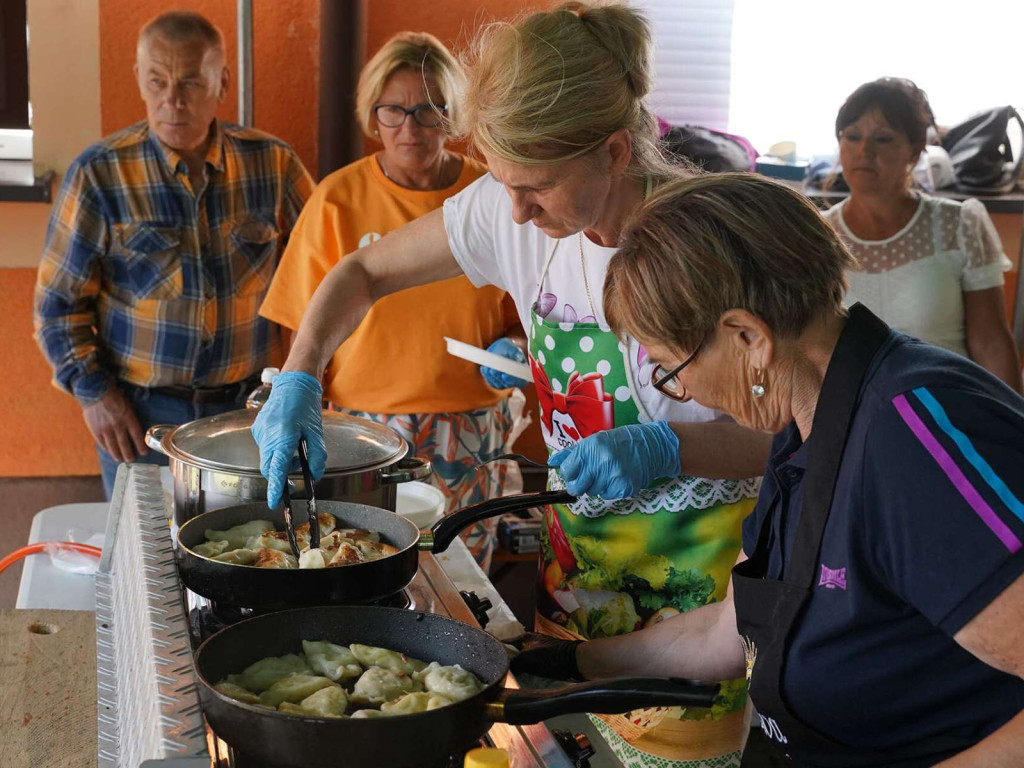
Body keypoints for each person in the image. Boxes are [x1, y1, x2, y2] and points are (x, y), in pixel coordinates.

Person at [253, 4, 770, 765]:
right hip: (574, 580)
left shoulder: (718, 246)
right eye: (505, 184)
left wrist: (673, 446)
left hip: (698, 608)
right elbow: (361, 271)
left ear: (615, 152)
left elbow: (792, 435)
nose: (517, 212)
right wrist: (299, 374)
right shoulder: (513, 207)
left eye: (538, 188)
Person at [513, 171, 1024, 767]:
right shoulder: (806, 424)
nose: (679, 393)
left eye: (670, 369)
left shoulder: (913, 436)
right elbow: (724, 634)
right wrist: (556, 664)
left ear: (748, 336)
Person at [259, 32, 524, 570]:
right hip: (360, 427)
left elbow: (528, 319)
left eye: (429, 111)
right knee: (360, 563)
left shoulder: (493, 195)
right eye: (393, 110)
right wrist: (303, 393)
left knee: (462, 576)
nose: (410, 127)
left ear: (454, 116)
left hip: (470, 428)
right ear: (371, 116)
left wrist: (518, 350)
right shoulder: (336, 198)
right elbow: (300, 324)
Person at [33, 11, 314, 497]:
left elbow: (322, 273)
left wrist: (306, 379)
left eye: (190, 82)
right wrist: (95, 394)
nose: (172, 100)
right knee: (147, 549)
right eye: (157, 81)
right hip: (139, 414)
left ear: (222, 82)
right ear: (139, 79)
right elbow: (57, 306)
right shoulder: (99, 175)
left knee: (244, 544)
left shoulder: (274, 165)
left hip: (249, 407)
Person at [823, 78, 1021, 393]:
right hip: (853, 418)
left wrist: (1012, 427)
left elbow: (991, 343)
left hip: (950, 406)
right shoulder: (817, 236)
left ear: (914, 152)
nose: (864, 150)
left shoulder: (960, 225)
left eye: (883, 139)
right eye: (852, 136)